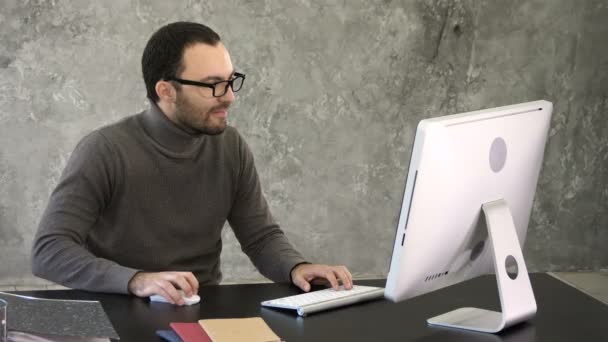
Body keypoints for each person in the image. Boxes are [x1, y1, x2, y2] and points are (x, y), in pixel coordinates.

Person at [31, 21, 352, 305]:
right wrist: (137, 280)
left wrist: (297, 267)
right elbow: (49, 251)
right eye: (214, 85)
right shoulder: (104, 150)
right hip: (113, 311)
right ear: (166, 91)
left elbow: (261, 238)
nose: (229, 97)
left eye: (230, 81)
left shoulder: (231, 147)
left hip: (201, 310)